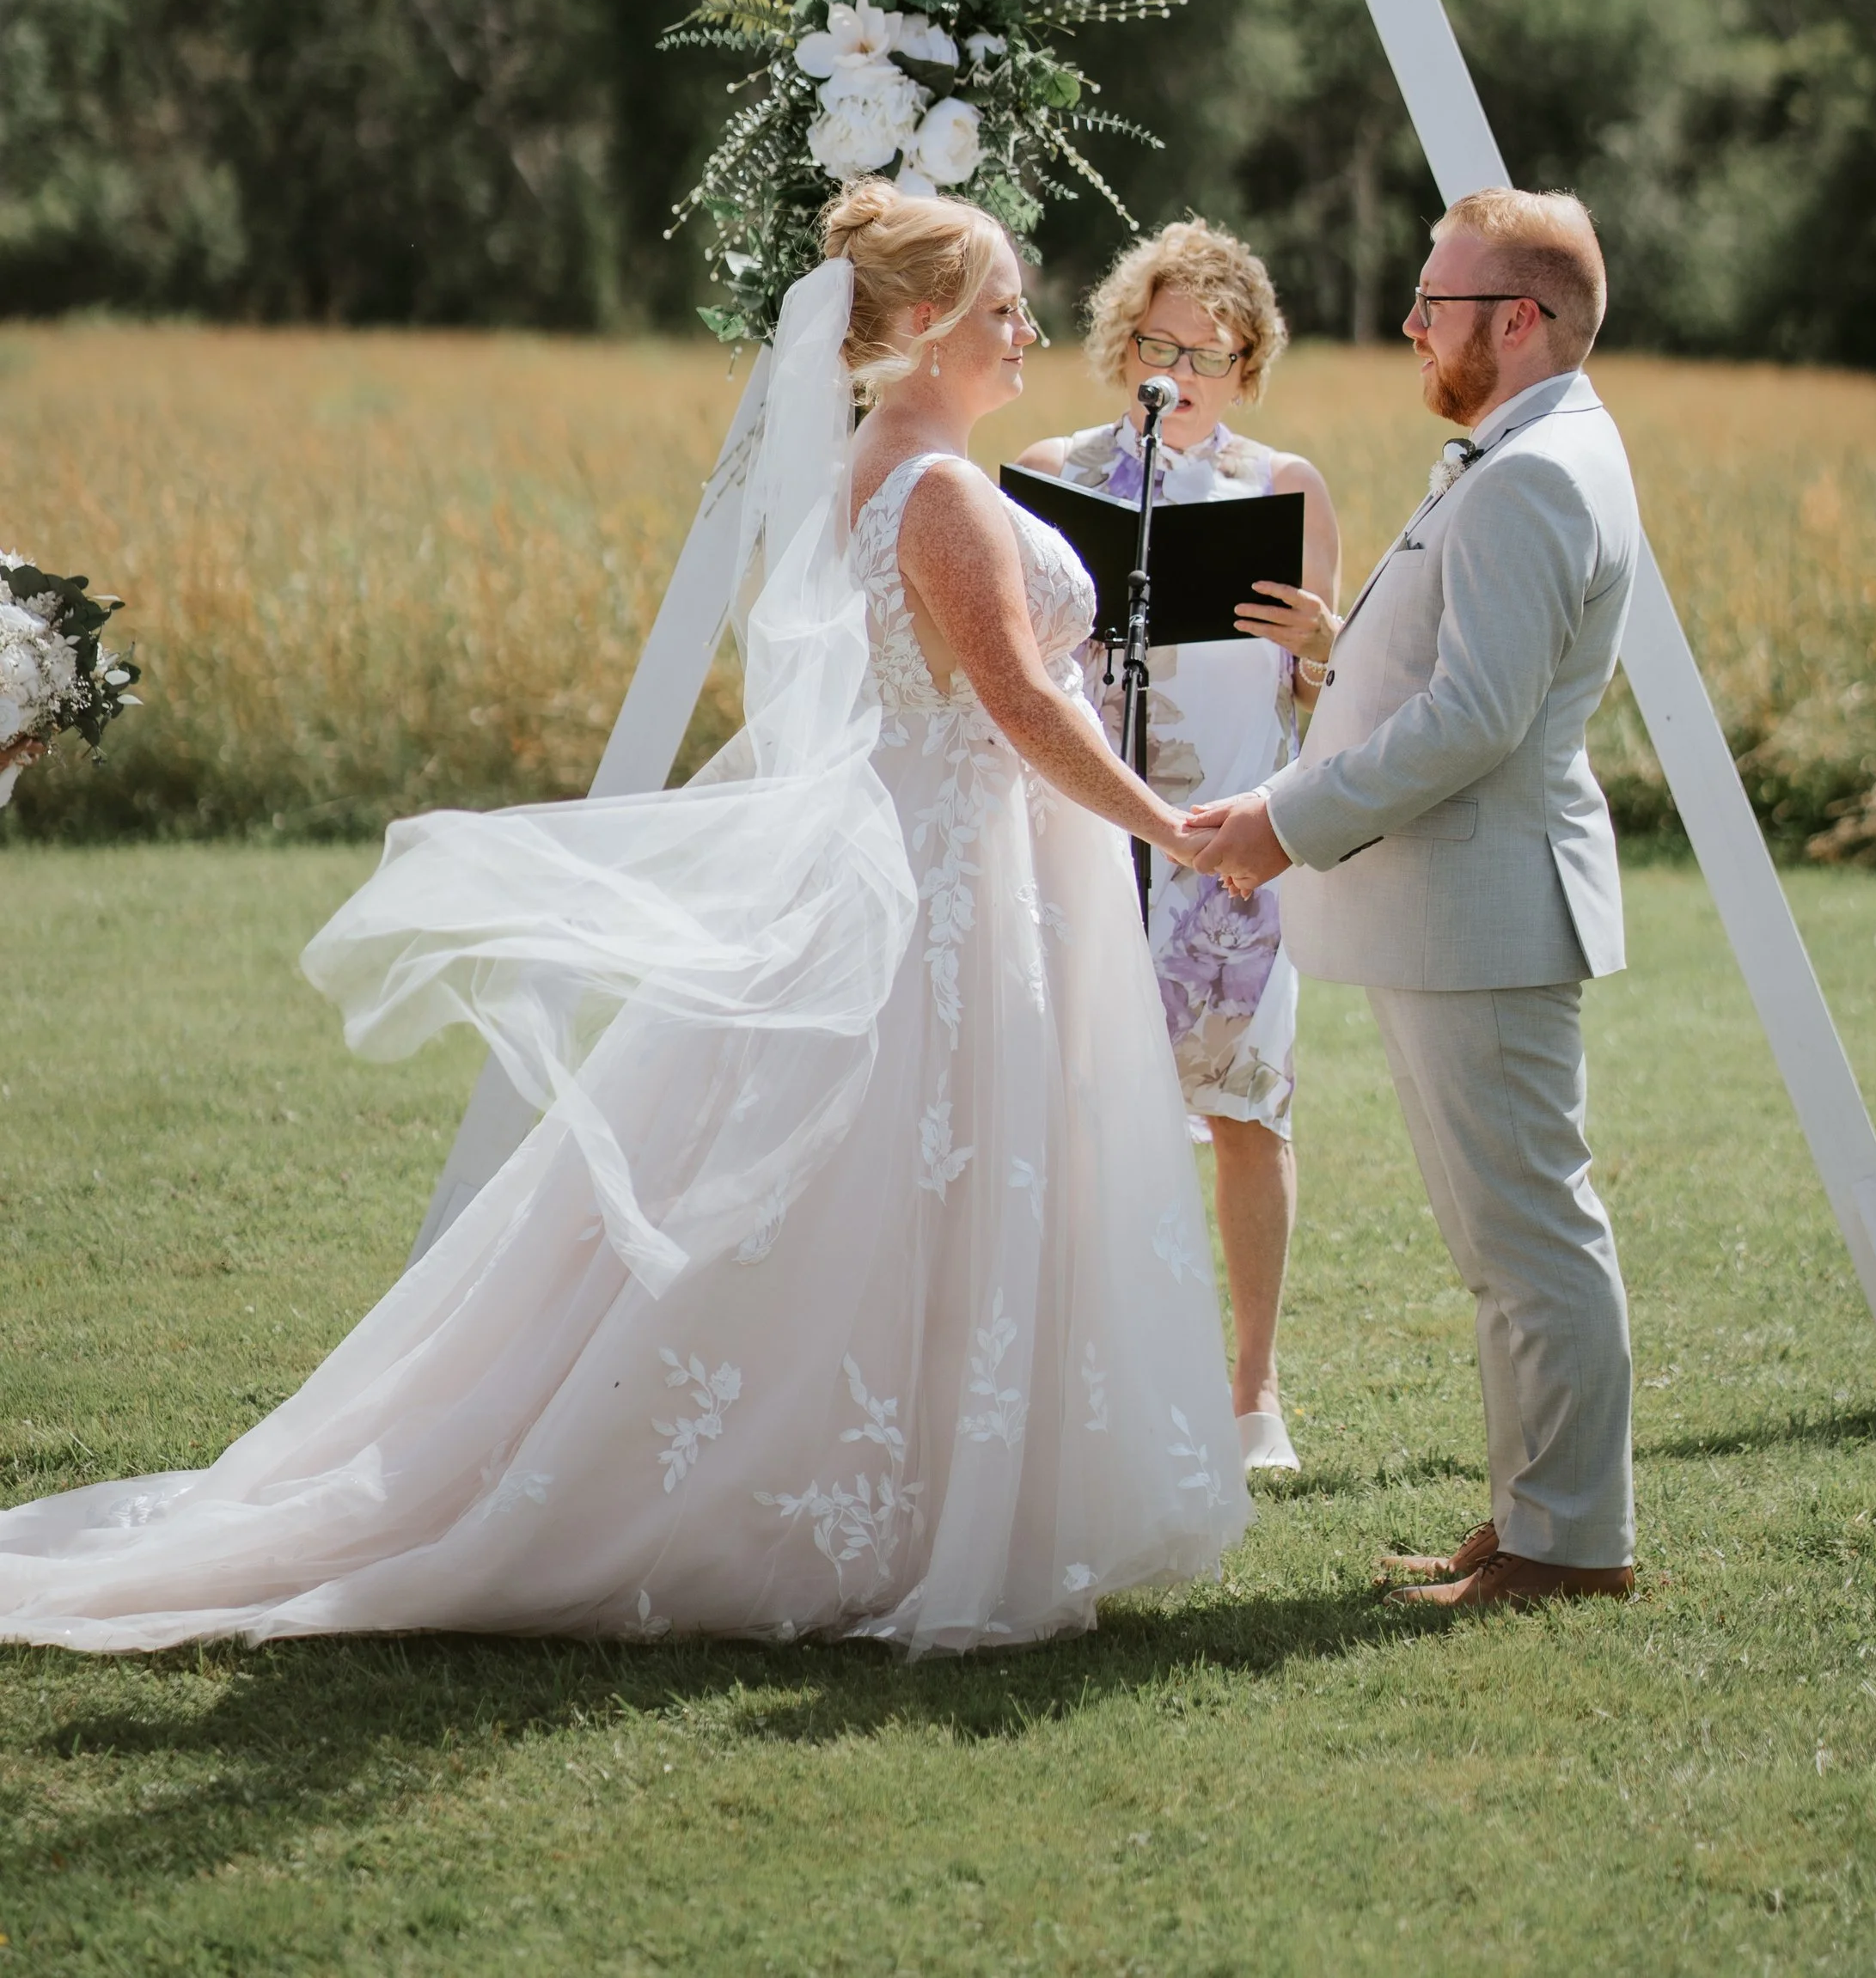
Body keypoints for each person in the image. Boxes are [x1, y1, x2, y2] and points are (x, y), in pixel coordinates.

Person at [0, 183, 1250, 1657]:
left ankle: (912, 1488)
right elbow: (1020, 698)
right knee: (922, 1179)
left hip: (958, 870)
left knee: (911, 1193)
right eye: (1001, 308)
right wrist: (1171, 824)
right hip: (952, 896)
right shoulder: (942, 494)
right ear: (921, 327)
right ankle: (881, 1505)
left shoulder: (876, 472)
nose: (1029, 329)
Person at [1186, 188, 1641, 1609]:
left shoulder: (1533, 474)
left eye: (1434, 303)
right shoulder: (1521, 450)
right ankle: (1534, 1520)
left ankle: (1571, 1546)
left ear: (1517, 320)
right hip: (1465, 902)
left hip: (1485, 905)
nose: (1410, 325)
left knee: (1528, 1234)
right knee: (1502, 1240)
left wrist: (1285, 817)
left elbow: (1474, 721)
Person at [1017, 220, 1340, 1477]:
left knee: (1244, 1109)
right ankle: (1087, 1367)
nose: (1179, 367)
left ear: (1247, 359)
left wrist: (1324, 638)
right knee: (1079, 1102)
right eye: (1158, 340)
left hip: (1231, 850)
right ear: (1122, 340)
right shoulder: (1053, 470)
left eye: (1208, 347)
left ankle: (1253, 1390)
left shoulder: (1283, 488)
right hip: (1090, 831)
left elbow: (1328, 703)